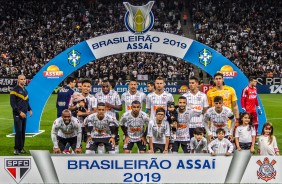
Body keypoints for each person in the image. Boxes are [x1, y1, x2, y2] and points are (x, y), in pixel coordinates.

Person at [95, 80, 122, 153]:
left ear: (110, 86)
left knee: (115, 141)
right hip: (101, 122)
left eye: (107, 86)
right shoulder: (97, 95)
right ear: (101, 87)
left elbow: (120, 108)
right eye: (103, 87)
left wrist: (111, 105)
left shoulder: (115, 94)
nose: (105, 88)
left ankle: (115, 159)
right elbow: (94, 109)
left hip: (112, 122)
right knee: (101, 142)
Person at [10, 74, 32, 155]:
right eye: (21, 79)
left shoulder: (25, 90)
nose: (23, 80)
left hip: (24, 114)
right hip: (17, 114)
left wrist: (29, 109)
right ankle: (16, 148)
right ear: (18, 80)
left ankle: (21, 147)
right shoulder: (14, 90)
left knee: (22, 132)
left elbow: (26, 101)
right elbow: (13, 104)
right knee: (18, 131)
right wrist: (20, 112)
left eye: (24, 79)